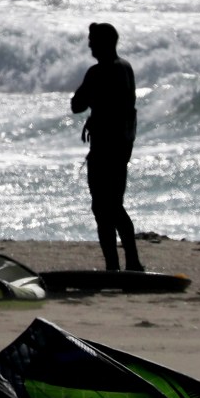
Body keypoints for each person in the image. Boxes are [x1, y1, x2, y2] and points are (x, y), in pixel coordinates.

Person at [70, 22, 144, 273]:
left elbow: (76, 105)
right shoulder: (126, 68)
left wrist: (94, 106)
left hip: (105, 150)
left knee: (104, 208)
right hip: (121, 147)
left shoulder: (99, 72)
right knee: (112, 205)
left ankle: (117, 265)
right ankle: (129, 261)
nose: (89, 44)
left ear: (105, 43)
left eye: (93, 40)